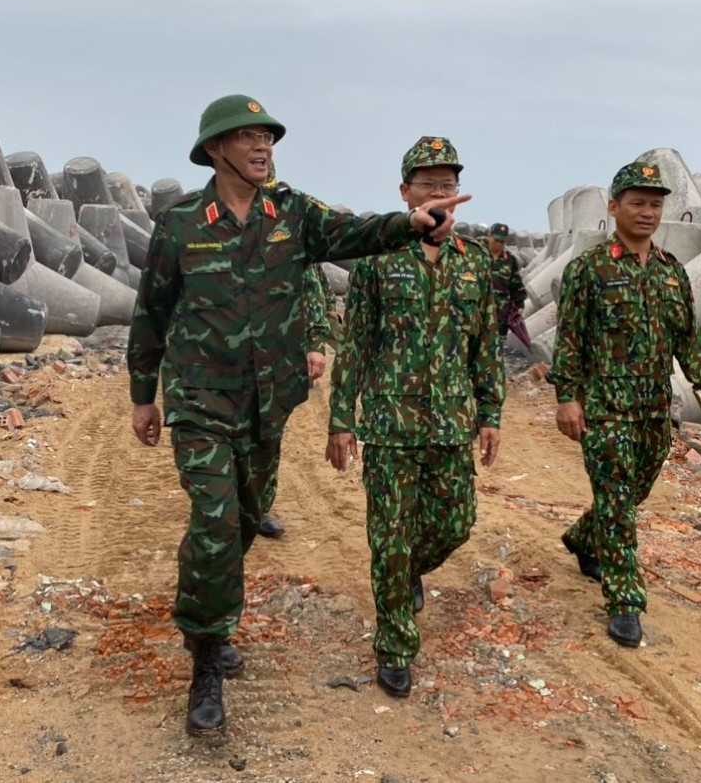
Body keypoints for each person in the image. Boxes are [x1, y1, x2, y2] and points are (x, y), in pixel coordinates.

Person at [128, 95, 468, 736]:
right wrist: (143, 394)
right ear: (215, 148)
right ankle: (206, 656)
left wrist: (411, 223)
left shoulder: (292, 212)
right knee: (215, 521)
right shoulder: (179, 225)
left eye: (269, 138)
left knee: (246, 518)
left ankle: (206, 601)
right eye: (248, 137)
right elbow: (151, 313)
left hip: (268, 403)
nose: (263, 147)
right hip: (201, 401)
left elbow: (352, 232)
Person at [327, 136, 505, 699]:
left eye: (448, 184)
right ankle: (396, 645)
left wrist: (491, 412)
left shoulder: (474, 262)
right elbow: (354, 345)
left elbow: (485, 346)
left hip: (452, 423)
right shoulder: (378, 259)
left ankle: (406, 573)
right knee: (391, 537)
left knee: (456, 524)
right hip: (390, 426)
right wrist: (341, 419)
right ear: (405, 193)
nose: (439, 193)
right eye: (428, 184)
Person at [547, 161, 701, 649]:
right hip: (604, 410)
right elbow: (570, 340)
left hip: (653, 411)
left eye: (655, 204)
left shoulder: (672, 272)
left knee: (632, 494)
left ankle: (583, 538)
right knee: (617, 504)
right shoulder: (589, 269)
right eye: (637, 203)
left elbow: (689, 338)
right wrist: (567, 398)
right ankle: (625, 601)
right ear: (614, 207)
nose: (648, 212)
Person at [256, 162, 334, 539]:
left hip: (280, 350)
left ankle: (257, 505)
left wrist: (316, 343)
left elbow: (312, 287)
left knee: (269, 432)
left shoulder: (290, 225)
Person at [486, 222, 527, 337]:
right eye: (496, 240)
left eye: (502, 241)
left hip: (501, 311)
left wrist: (520, 304)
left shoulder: (509, 259)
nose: (498, 244)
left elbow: (516, 282)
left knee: (498, 342)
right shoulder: (478, 255)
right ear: (489, 237)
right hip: (481, 309)